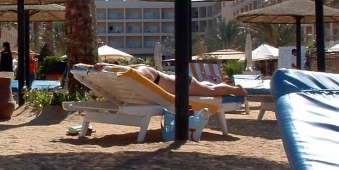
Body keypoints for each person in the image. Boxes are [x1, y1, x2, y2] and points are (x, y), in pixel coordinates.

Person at [94, 63, 247, 98]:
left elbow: (135, 77)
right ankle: (223, 85)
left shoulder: (142, 73)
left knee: (211, 92)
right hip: (181, 81)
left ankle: (235, 89)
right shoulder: (138, 68)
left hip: (182, 85)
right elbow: (125, 68)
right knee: (203, 87)